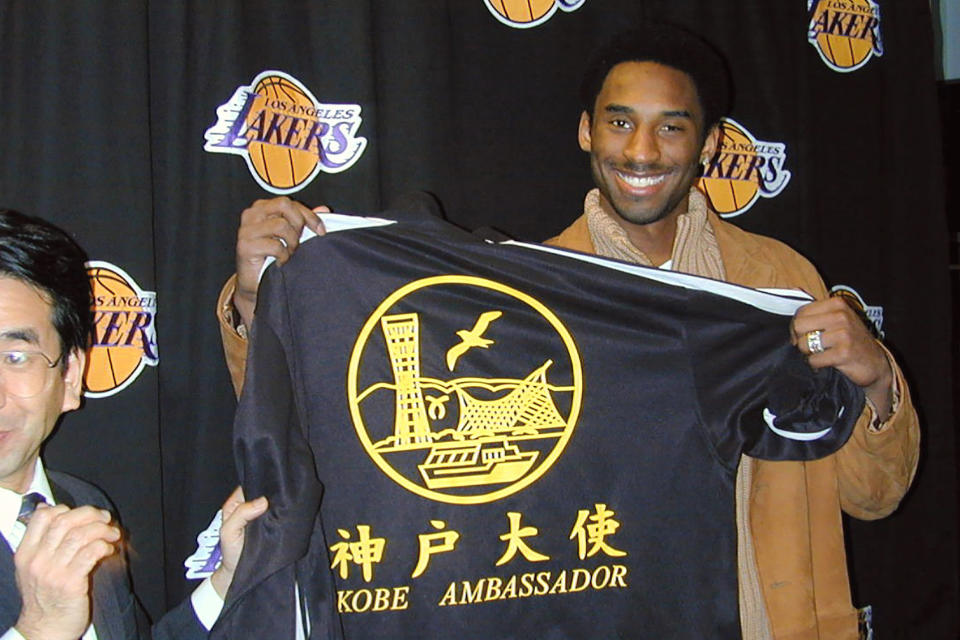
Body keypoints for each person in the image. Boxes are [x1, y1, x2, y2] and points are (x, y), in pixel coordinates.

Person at [215, 24, 919, 640]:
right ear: (587, 131)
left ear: (707, 143)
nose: (641, 150)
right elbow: (321, 420)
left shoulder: (778, 286)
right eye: (619, 123)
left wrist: (877, 381)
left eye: (672, 126)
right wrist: (262, 293)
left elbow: (874, 496)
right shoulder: (538, 292)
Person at [0, 209, 267, 640]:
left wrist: (227, 579)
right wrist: (40, 631)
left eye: (16, 357)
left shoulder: (80, 504)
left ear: (69, 378)